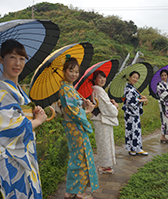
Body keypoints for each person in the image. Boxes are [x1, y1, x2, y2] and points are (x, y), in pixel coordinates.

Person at [0, 39, 47, 199]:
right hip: (11, 159)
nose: (17, 63)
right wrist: (38, 121)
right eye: (12, 57)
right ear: (1, 59)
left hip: (26, 153)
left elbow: (21, 117)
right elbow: (12, 129)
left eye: (22, 58)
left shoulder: (16, 89)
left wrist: (34, 112)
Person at [59, 56, 99, 199]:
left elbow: (75, 106)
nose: (74, 74)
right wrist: (87, 111)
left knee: (79, 156)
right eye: (71, 71)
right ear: (64, 71)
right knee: (79, 157)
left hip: (75, 127)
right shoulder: (65, 89)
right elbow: (71, 110)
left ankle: (72, 190)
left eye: (76, 72)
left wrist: (84, 103)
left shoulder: (70, 88)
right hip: (74, 127)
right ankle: (75, 191)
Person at [90, 70, 119, 174]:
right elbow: (107, 107)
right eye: (99, 77)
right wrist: (115, 107)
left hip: (100, 119)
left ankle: (104, 164)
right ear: (94, 80)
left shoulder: (96, 90)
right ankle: (104, 166)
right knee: (105, 143)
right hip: (102, 120)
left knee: (103, 142)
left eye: (103, 77)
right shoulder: (98, 90)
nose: (102, 79)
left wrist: (111, 104)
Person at [122, 71, 148, 156]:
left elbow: (135, 97)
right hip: (130, 113)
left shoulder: (132, 88)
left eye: (137, 78)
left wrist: (141, 97)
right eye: (134, 77)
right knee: (131, 131)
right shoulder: (128, 88)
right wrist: (141, 100)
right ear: (129, 77)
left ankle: (135, 148)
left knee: (135, 130)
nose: (135, 79)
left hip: (134, 113)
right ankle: (133, 148)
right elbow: (130, 101)